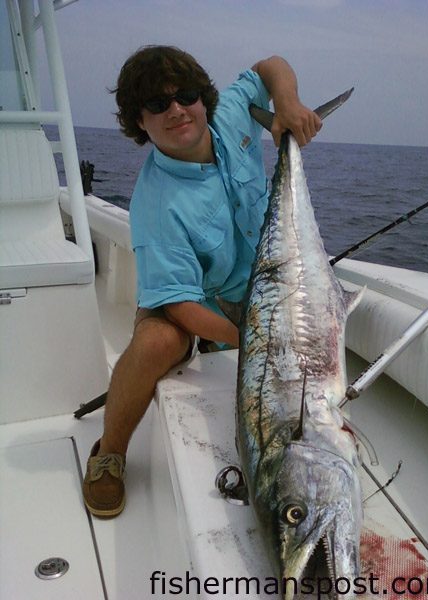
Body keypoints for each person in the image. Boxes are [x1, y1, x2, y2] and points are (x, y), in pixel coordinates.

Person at [82, 46, 322, 518]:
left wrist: (287, 103)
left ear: (203, 99)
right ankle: (108, 453)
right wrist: (254, 338)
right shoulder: (155, 204)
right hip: (197, 303)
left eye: (185, 95)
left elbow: (270, 66)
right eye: (157, 104)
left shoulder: (232, 115)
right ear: (140, 123)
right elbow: (180, 304)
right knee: (156, 342)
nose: (176, 109)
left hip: (262, 288)